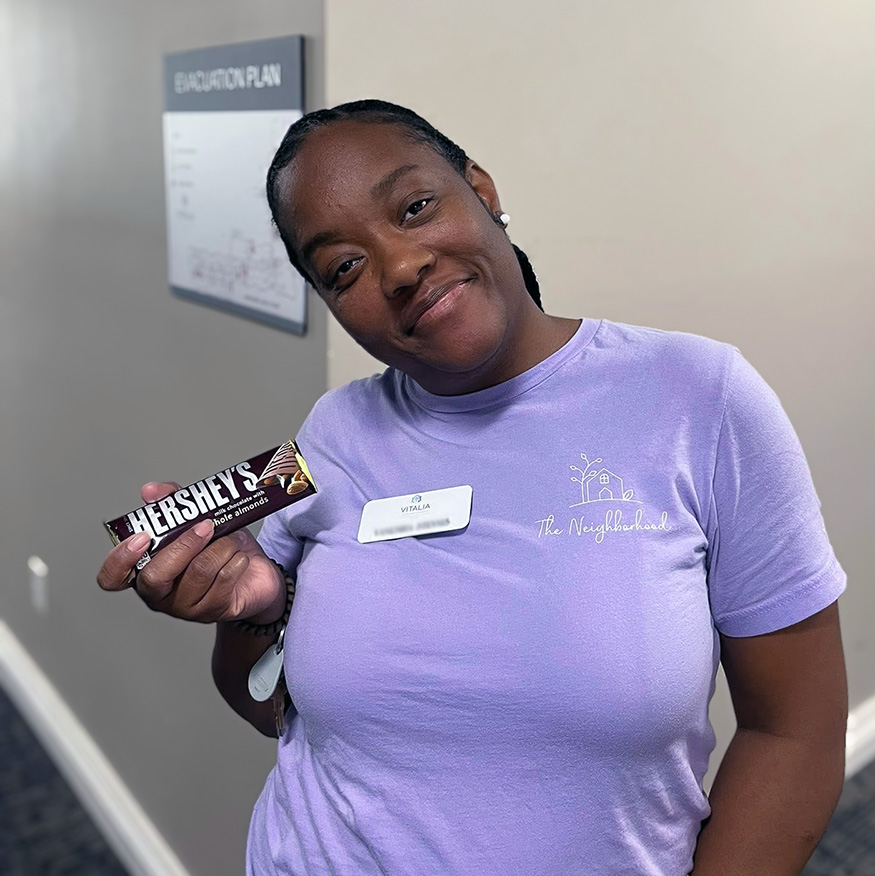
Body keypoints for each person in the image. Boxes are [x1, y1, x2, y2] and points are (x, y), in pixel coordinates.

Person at [98, 100, 848, 876]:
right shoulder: (332, 433)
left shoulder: (698, 398)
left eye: (414, 208)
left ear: (481, 191)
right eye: (343, 268)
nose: (397, 267)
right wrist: (249, 613)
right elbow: (273, 711)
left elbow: (793, 732)